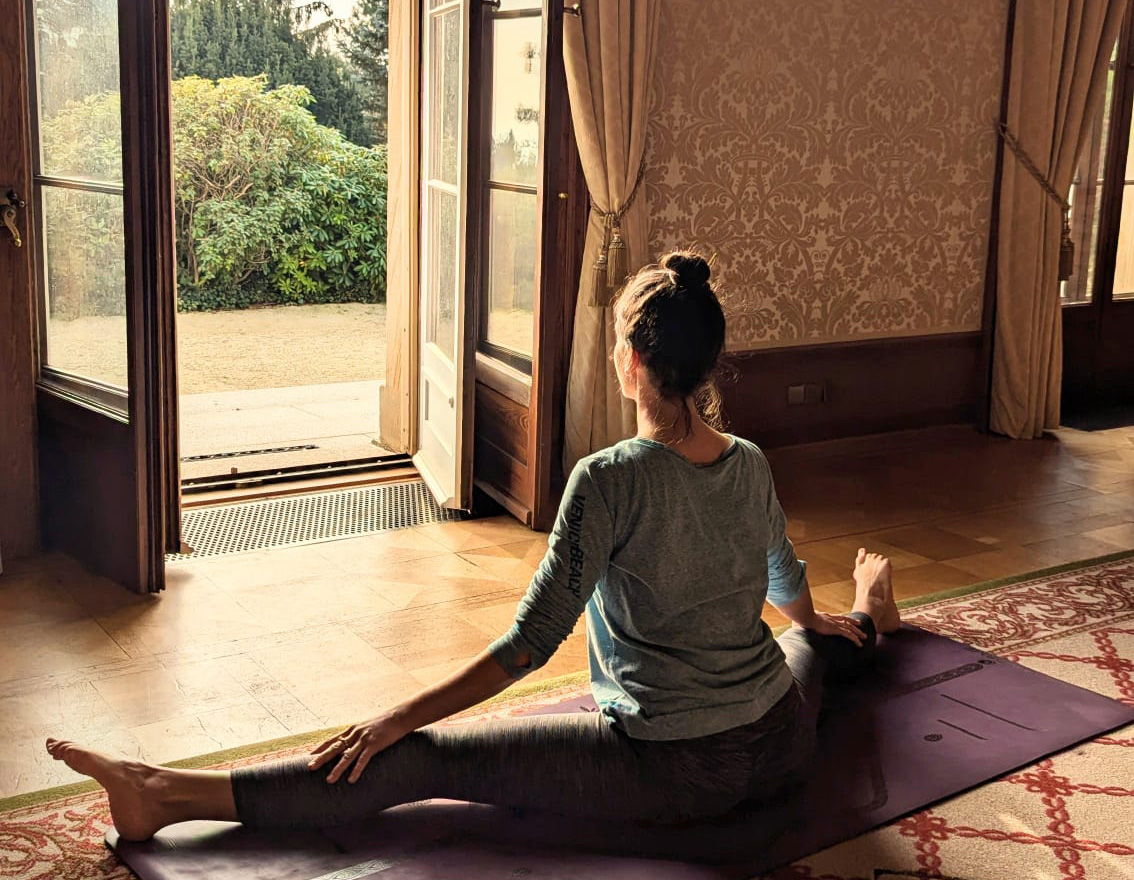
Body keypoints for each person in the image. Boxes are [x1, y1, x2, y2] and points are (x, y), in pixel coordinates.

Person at [46, 251, 901, 843]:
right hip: (779, 741)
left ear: (634, 362)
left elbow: (530, 647)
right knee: (810, 647)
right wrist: (823, 617)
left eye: (615, 342)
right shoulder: (748, 461)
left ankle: (162, 796)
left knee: (417, 760)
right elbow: (784, 581)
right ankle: (871, 613)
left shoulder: (608, 480)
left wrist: (396, 716)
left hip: (672, 773)